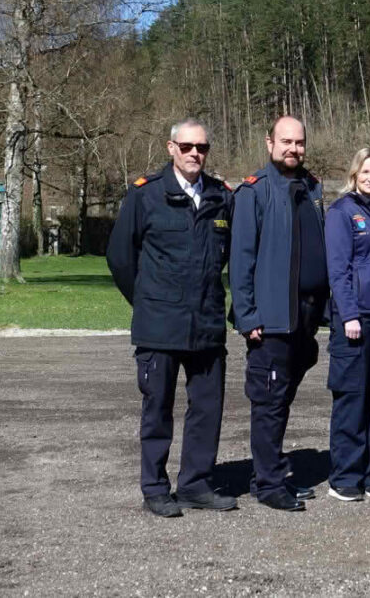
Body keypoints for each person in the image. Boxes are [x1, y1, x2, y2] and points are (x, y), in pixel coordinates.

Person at [107, 117, 238, 516]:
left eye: (202, 148)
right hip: (159, 326)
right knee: (157, 409)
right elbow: (119, 257)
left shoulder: (221, 197)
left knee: (207, 409)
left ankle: (196, 483)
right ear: (171, 148)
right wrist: (147, 301)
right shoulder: (145, 196)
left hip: (206, 325)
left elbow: (232, 253)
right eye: (187, 147)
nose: (195, 154)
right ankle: (155, 488)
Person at [229, 115, 329, 512]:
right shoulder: (254, 193)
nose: (293, 149)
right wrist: (248, 315)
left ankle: (267, 474)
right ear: (269, 142)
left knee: (283, 399)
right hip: (270, 319)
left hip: (303, 318)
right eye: (286, 141)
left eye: (299, 142)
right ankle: (270, 484)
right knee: (268, 401)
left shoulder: (312, 188)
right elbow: (241, 260)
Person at [323, 148, 370, 501]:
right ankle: (344, 475)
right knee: (352, 397)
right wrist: (349, 313)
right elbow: (338, 270)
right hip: (355, 319)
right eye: (366, 172)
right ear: (354, 174)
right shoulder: (341, 213)